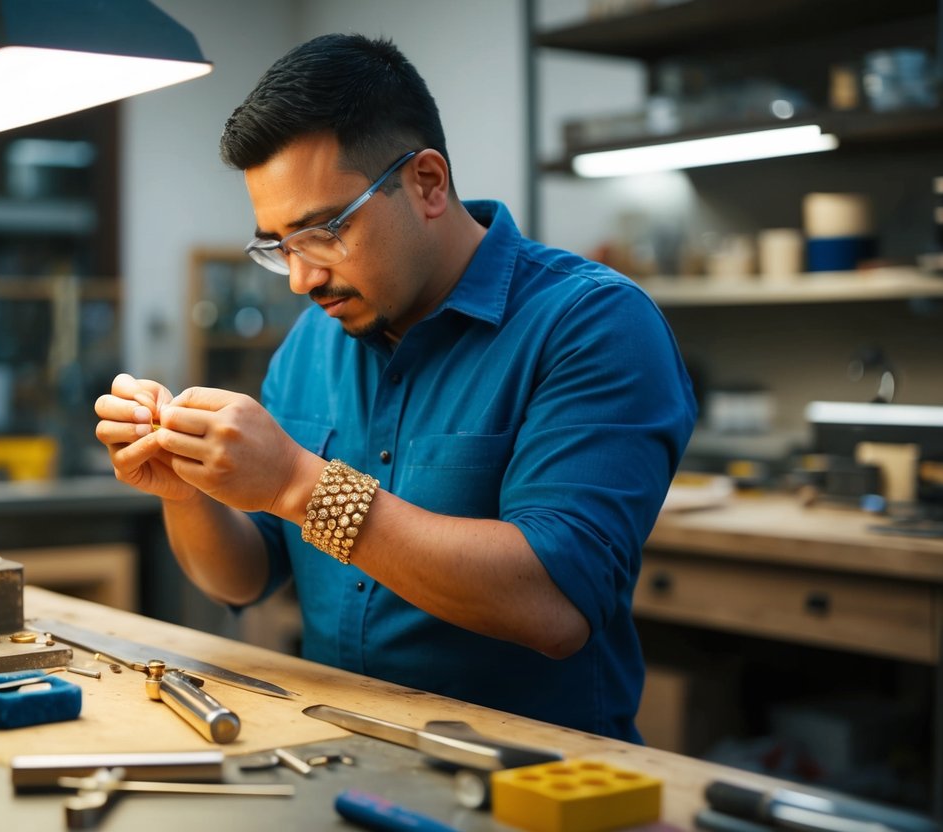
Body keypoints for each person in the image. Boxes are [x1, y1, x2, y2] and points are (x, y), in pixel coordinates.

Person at [95, 33, 696, 742]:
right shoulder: (311, 344)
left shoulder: (591, 323)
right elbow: (244, 577)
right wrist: (184, 491)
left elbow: (553, 606)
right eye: (278, 245)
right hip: (338, 752)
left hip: (531, 781)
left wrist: (298, 482)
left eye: (323, 231)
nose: (300, 278)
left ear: (428, 183)